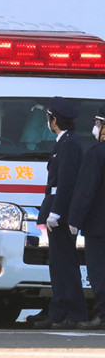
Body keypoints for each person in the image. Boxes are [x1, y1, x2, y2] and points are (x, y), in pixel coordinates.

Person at [33, 97, 87, 329]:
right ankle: (59, 310)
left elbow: (66, 182)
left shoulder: (69, 144)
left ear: (54, 120)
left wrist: (56, 212)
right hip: (58, 209)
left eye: (48, 118)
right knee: (57, 264)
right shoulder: (64, 142)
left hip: (61, 213)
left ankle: (74, 313)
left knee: (65, 265)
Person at [69, 109, 105, 330]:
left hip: (99, 226)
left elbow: (85, 191)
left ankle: (101, 315)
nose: (96, 128)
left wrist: (75, 220)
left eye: (98, 123)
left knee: (99, 271)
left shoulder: (96, 153)